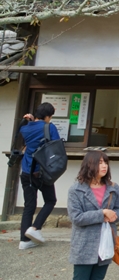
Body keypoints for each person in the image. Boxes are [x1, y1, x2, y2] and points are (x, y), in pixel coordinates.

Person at [65, 150, 119, 280]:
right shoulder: (76, 189)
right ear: (89, 164)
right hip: (84, 244)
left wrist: (114, 215)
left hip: (105, 243)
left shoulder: (113, 188)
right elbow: (76, 217)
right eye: (99, 162)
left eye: (105, 162)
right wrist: (102, 214)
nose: (104, 165)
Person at [18, 102, 61, 250]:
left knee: (29, 206)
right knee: (50, 200)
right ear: (48, 116)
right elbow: (57, 145)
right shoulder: (49, 127)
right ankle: (35, 228)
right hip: (41, 172)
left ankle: (24, 241)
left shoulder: (25, 127)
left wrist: (28, 120)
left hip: (26, 171)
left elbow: (23, 131)